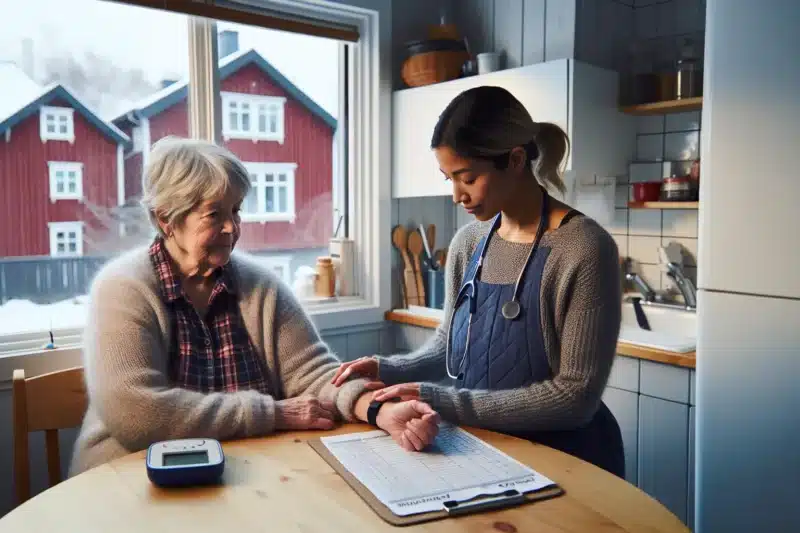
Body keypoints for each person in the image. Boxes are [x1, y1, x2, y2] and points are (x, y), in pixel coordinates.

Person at [69, 137, 439, 476]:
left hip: (248, 473)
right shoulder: (123, 288)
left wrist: (381, 410)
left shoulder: (260, 286)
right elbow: (138, 413)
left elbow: (314, 374)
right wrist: (272, 414)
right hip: (129, 479)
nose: (232, 227)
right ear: (166, 218)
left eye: (236, 210)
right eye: (215, 214)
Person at [332, 86, 626, 477]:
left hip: (568, 460)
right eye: (448, 178)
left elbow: (576, 397)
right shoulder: (469, 243)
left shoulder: (584, 249)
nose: (457, 195)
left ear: (516, 159)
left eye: (467, 177)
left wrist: (445, 401)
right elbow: (449, 347)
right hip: (486, 450)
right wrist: (385, 369)